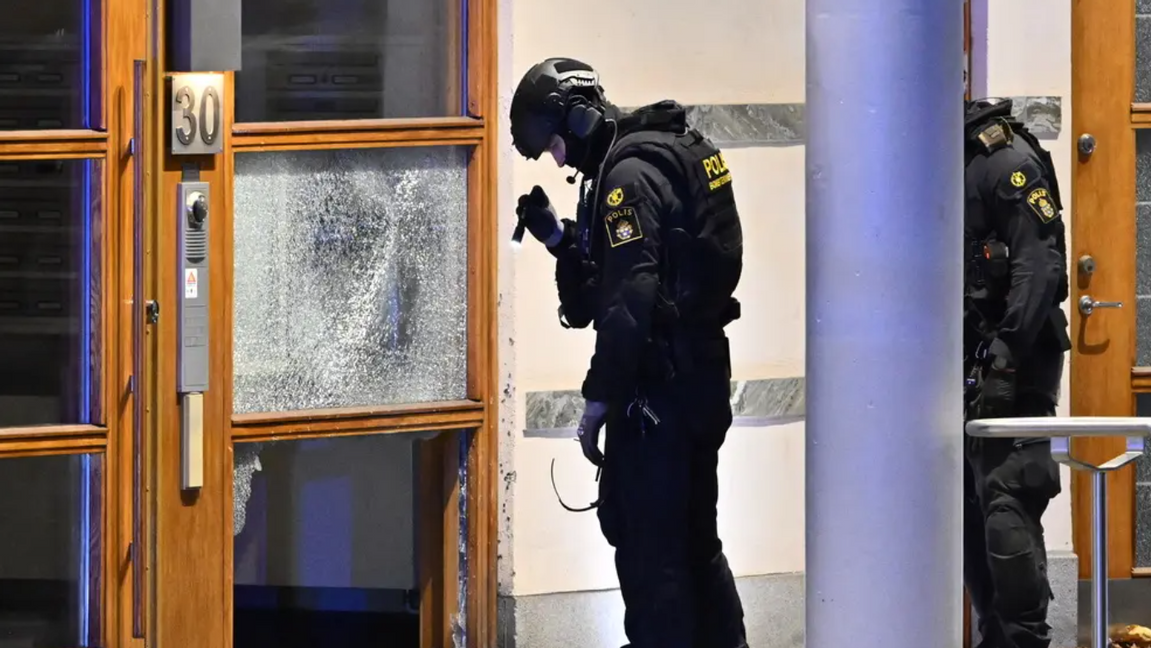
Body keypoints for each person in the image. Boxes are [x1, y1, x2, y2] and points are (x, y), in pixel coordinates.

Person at [509, 57, 748, 648]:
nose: (558, 159)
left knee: (649, 548)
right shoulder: (643, 160)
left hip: (659, 395)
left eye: (557, 143)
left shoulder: (627, 179)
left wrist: (597, 402)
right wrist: (558, 239)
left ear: (582, 121)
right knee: (694, 540)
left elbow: (627, 305)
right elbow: (611, 284)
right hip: (698, 379)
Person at [963, 97, 1071, 648]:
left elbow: (1040, 264)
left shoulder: (1005, 160)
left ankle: (1024, 640)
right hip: (967, 360)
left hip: (1015, 360)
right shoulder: (950, 158)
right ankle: (995, 635)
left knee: (1007, 499)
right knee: (968, 508)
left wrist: (1005, 352)